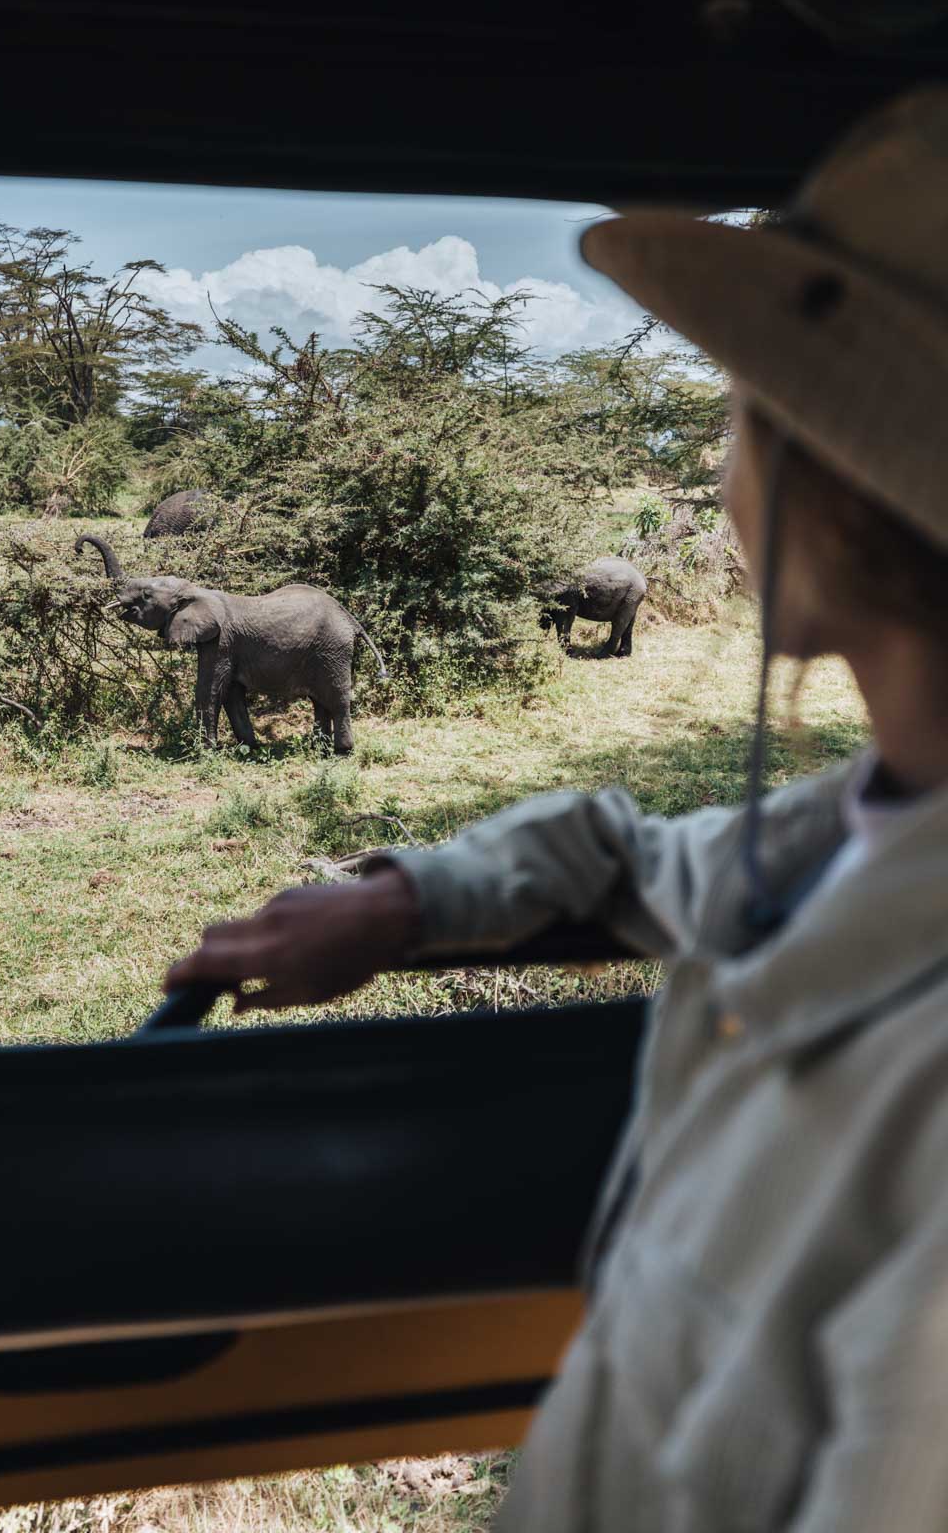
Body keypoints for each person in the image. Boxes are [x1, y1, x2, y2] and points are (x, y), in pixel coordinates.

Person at [166, 87, 948, 1529]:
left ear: (842, 485)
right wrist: (407, 899)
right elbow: (647, 858)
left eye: (744, 416)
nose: (724, 467)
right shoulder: (866, 822)